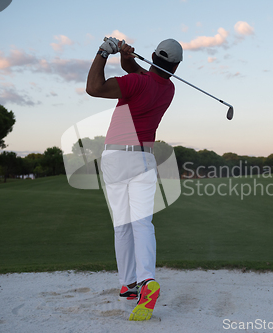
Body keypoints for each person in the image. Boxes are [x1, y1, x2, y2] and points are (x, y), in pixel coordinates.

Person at [86, 36, 183, 321]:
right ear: (175, 67)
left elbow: (94, 88)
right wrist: (127, 57)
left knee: (122, 225)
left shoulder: (135, 84)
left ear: (153, 56)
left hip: (116, 157)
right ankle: (144, 282)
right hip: (144, 159)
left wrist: (103, 52)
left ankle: (128, 283)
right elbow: (138, 72)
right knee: (142, 222)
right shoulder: (168, 89)